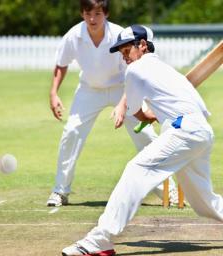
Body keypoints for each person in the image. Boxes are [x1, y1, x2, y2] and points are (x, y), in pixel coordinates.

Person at [61, 24, 223, 256]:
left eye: (127, 51)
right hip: (200, 131)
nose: (124, 57)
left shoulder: (136, 70)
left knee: (136, 169)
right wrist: (159, 115)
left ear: (143, 46)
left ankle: (100, 239)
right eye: (121, 53)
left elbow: (136, 111)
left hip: (183, 130)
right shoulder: (167, 70)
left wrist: (148, 116)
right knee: (203, 202)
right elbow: (194, 107)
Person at [47, 0, 178, 207]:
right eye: (88, 14)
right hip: (89, 89)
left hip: (122, 88)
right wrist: (54, 93)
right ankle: (60, 191)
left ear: (105, 14)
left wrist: (123, 105)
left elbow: (131, 73)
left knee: (144, 133)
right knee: (71, 132)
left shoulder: (119, 35)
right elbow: (61, 64)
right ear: (82, 14)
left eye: (97, 14)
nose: (92, 19)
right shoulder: (74, 35)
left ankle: (169, 193)